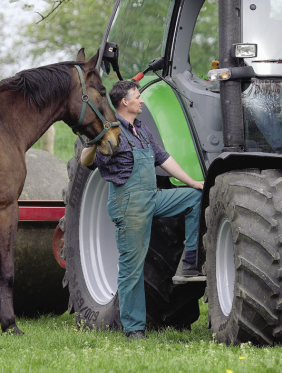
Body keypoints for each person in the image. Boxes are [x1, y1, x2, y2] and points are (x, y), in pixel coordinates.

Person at [80, 80, 204, 340]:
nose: (142, 100)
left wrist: (192, 181)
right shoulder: (112, 133)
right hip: (129, 204)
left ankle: (191, 261)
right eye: (138, 96)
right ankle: (134, 329)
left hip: (152, 197)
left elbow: (163, 158)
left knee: (194, 197)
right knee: (132, 268)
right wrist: (93, 141)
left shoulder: (142, 130)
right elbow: (86, 161)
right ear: (125, 102)